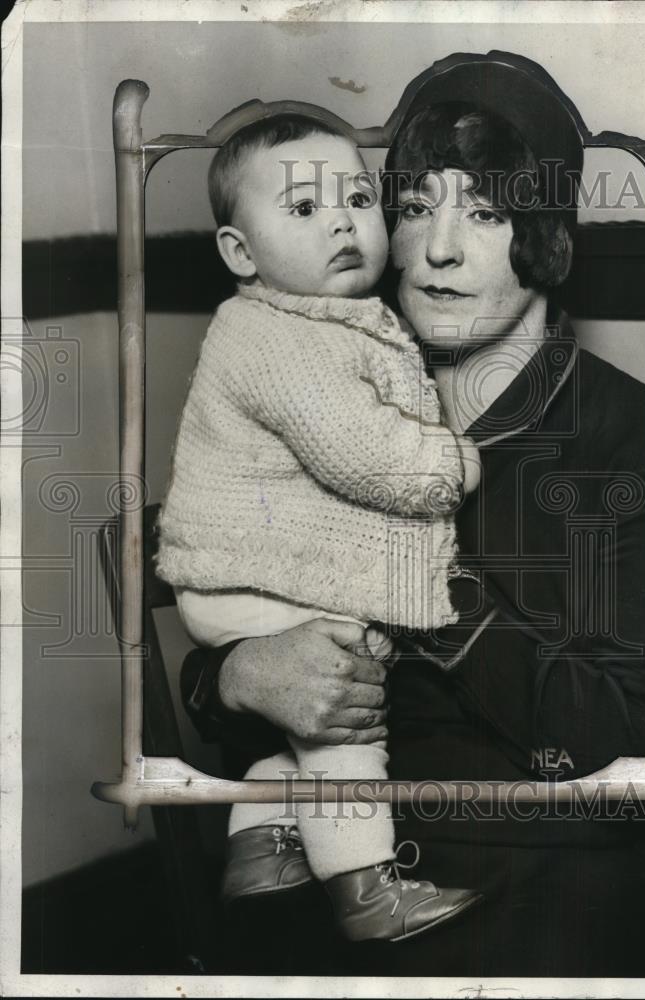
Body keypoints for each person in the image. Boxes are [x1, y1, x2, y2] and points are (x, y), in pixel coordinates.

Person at [179, 51, 645, 975]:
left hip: (540, 868)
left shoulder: (630, 435)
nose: (438, 250)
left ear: (545, 234)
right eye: (418, 207)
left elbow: (627, 731)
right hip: (324, 853)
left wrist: (428, 587)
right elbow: (237, 626)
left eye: (488, 212)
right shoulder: (326, 394)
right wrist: (235, 679)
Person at [155, 113, 483, 943]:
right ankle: (367, 892)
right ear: (239, 253)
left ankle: (263, 842)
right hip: (253, 582)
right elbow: (363, 453)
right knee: (345, 721)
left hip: (255, 575)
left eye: (359, 200)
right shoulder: (275, 337)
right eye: (303, 209)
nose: (341, 221)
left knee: (310, 728)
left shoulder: (318, 321)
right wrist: (453, 462)